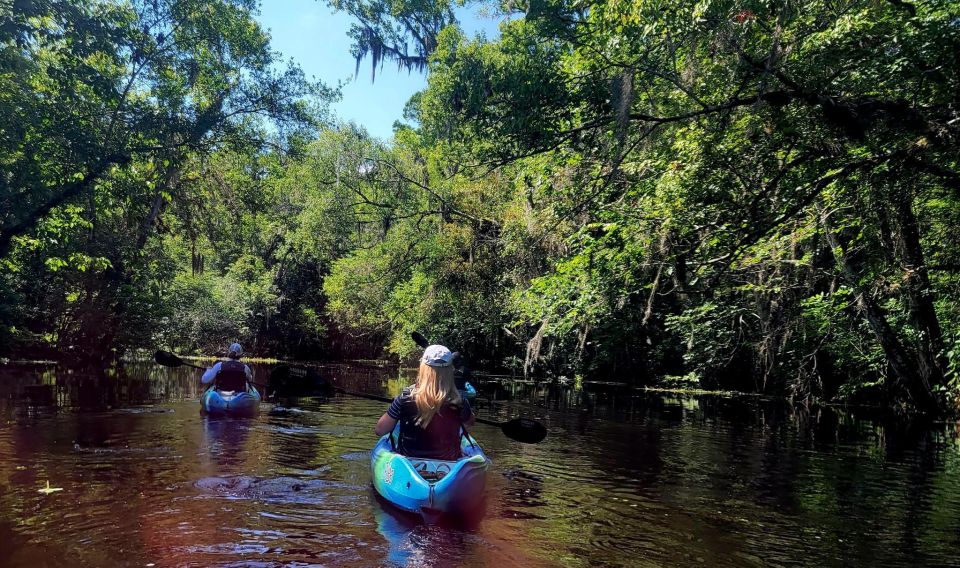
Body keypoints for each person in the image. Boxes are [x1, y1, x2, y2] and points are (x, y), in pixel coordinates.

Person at [375, 344, 476, 460]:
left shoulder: (405, 398)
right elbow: (470, 422)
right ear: (449, 371)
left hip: (409, 462)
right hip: (448, 464)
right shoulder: (460, 402)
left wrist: (397, 408)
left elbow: (380, 430)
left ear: (423, 368)